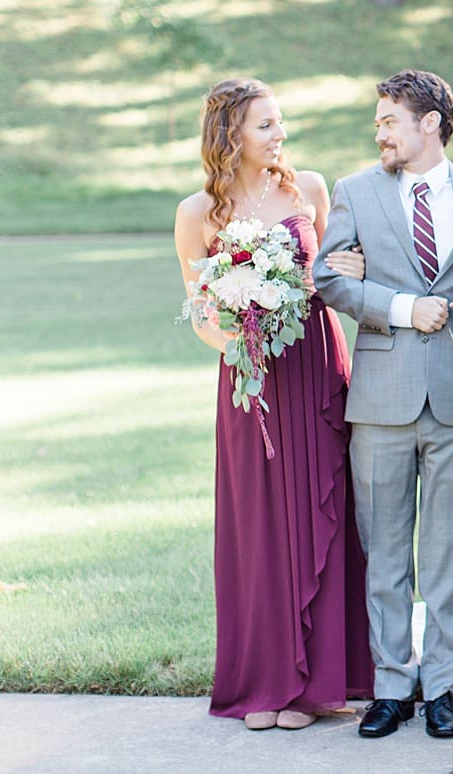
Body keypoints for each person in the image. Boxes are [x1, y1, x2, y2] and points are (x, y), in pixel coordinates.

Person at [312, 70, 453, 741]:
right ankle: (390, 685)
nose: (378, 132)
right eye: (378, 122)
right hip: (379, 399)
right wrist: (406, 308)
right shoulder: (353, 193)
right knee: (384, 551)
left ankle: (442, 685)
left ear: (430, 122)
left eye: (388, 120)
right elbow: (326, 276)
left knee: (449, 547)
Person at [174, 77, 373, 731]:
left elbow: (334, 278)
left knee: (323, 509)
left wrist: (345, 275)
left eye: (280, 122)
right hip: (249, 380)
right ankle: (263, 684)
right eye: (266, 124)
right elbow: (199, 310)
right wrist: (231, 336)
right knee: (257, 526)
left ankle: (319, 684)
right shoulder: (196, 213)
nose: (279, 134)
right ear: (230, 133)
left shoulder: (307, 189)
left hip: (314, 366)